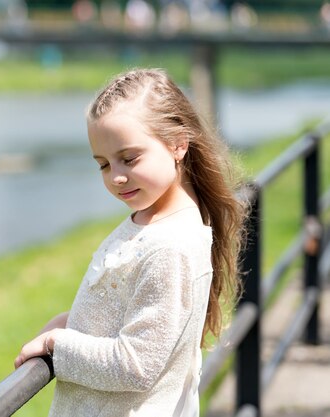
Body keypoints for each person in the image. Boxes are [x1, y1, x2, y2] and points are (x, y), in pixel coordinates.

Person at [14, 68, 245, 416]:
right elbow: (123, 314)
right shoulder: (148, 220)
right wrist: (70, 322)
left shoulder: (171, 246)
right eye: (103, 165)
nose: (117, 177)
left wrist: (56, 344)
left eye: (130, 158)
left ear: (178, 145)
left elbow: (136, 364)